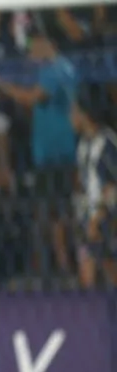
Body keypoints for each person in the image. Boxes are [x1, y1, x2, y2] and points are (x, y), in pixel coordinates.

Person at [71, 85, 117, 289]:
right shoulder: (82, 144)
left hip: (107, 218)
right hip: (88, 218)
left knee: (110, 269)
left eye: (73, 111)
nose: (70, 116)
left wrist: (97, 218)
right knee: (87, 274)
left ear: (84, 113)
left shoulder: (107, 143)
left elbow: (112, 185)